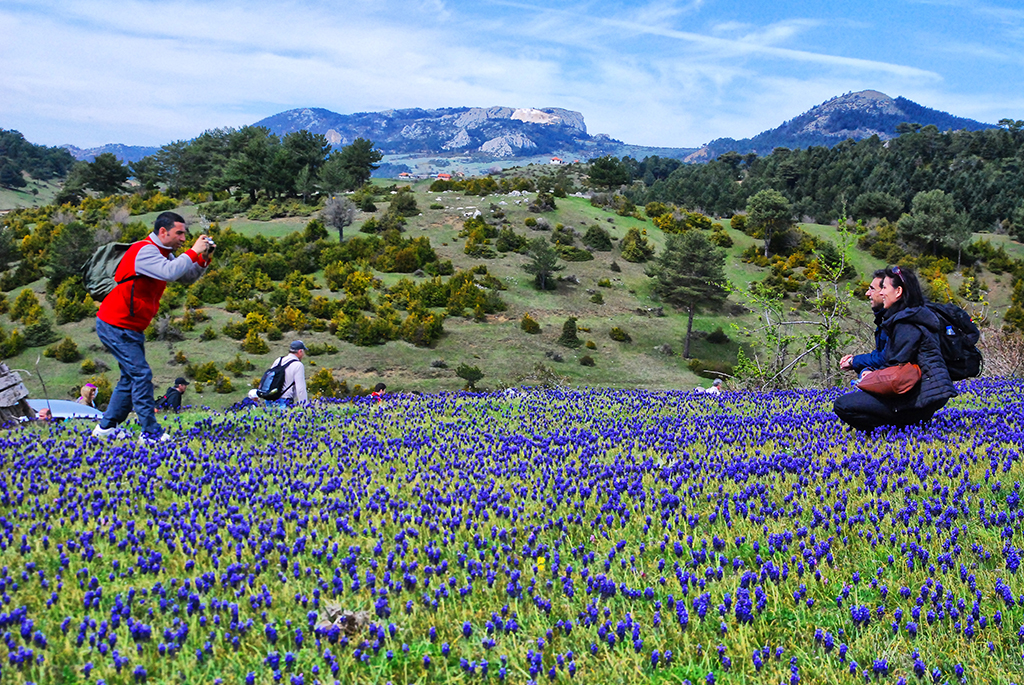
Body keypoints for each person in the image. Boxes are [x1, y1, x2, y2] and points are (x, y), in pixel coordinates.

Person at [91, 212, 213, 443]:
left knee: (130, 377)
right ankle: (150, 432)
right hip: (115, 323)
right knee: (141, 375)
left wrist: (203, 259)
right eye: (179, 233)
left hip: (130, 325)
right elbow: (170, 271)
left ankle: (106, 428)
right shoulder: (144, 250)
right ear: (163, 232)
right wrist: (193, 251)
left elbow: (184, 276)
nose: (184, 239)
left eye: (185, 235)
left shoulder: (164, 253)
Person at [833, 265, 955, 432]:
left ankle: (898, 428)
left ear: (898, 292)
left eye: (884, 288)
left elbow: (894, 364)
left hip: (917, 397)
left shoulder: (907, 322)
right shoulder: (916, 315)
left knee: (843, 405)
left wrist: (867, 376)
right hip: (931, 393)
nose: (881, 293)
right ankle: (906, 424)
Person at [839, 269, 888, 379]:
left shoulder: (899, 321)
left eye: (872, 289)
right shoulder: (885, 319)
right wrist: (867, 369)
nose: (867, 293)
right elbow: (881, 355)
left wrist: (854, 361)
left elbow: (886, 358)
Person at [266, 340, 308, 407]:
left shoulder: (279, 360)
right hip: (285, 400)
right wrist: (305, 406)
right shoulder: (298, 365)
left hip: (270, 398)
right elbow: (300, 389)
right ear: (300, 351)